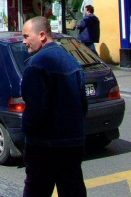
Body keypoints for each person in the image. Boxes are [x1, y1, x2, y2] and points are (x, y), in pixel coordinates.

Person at [21, 16, 87, 197]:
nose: (24, 41)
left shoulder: (36, 65)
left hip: (44, 145)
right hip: (72, 143)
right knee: (73, 190)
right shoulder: (72, 61)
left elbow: (34, 109)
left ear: (42, 35)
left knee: (37, 191)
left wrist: (28, 135)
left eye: (26, 36)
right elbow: (83, 105)